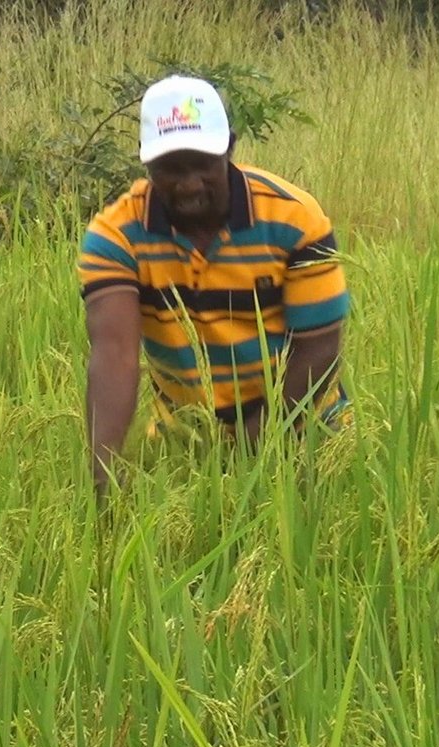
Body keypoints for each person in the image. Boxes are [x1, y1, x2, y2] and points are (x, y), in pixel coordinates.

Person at [77, 74, 353, 497]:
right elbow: (115, 355)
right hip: (187, 445)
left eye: (202, 164)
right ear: (146, 164)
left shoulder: (295, 219)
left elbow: (319, 348)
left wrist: (249, 450)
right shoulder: (115, 236)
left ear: (230, 148)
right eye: (170, 168)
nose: (188, 184)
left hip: (308, 432)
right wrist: (102, 479)